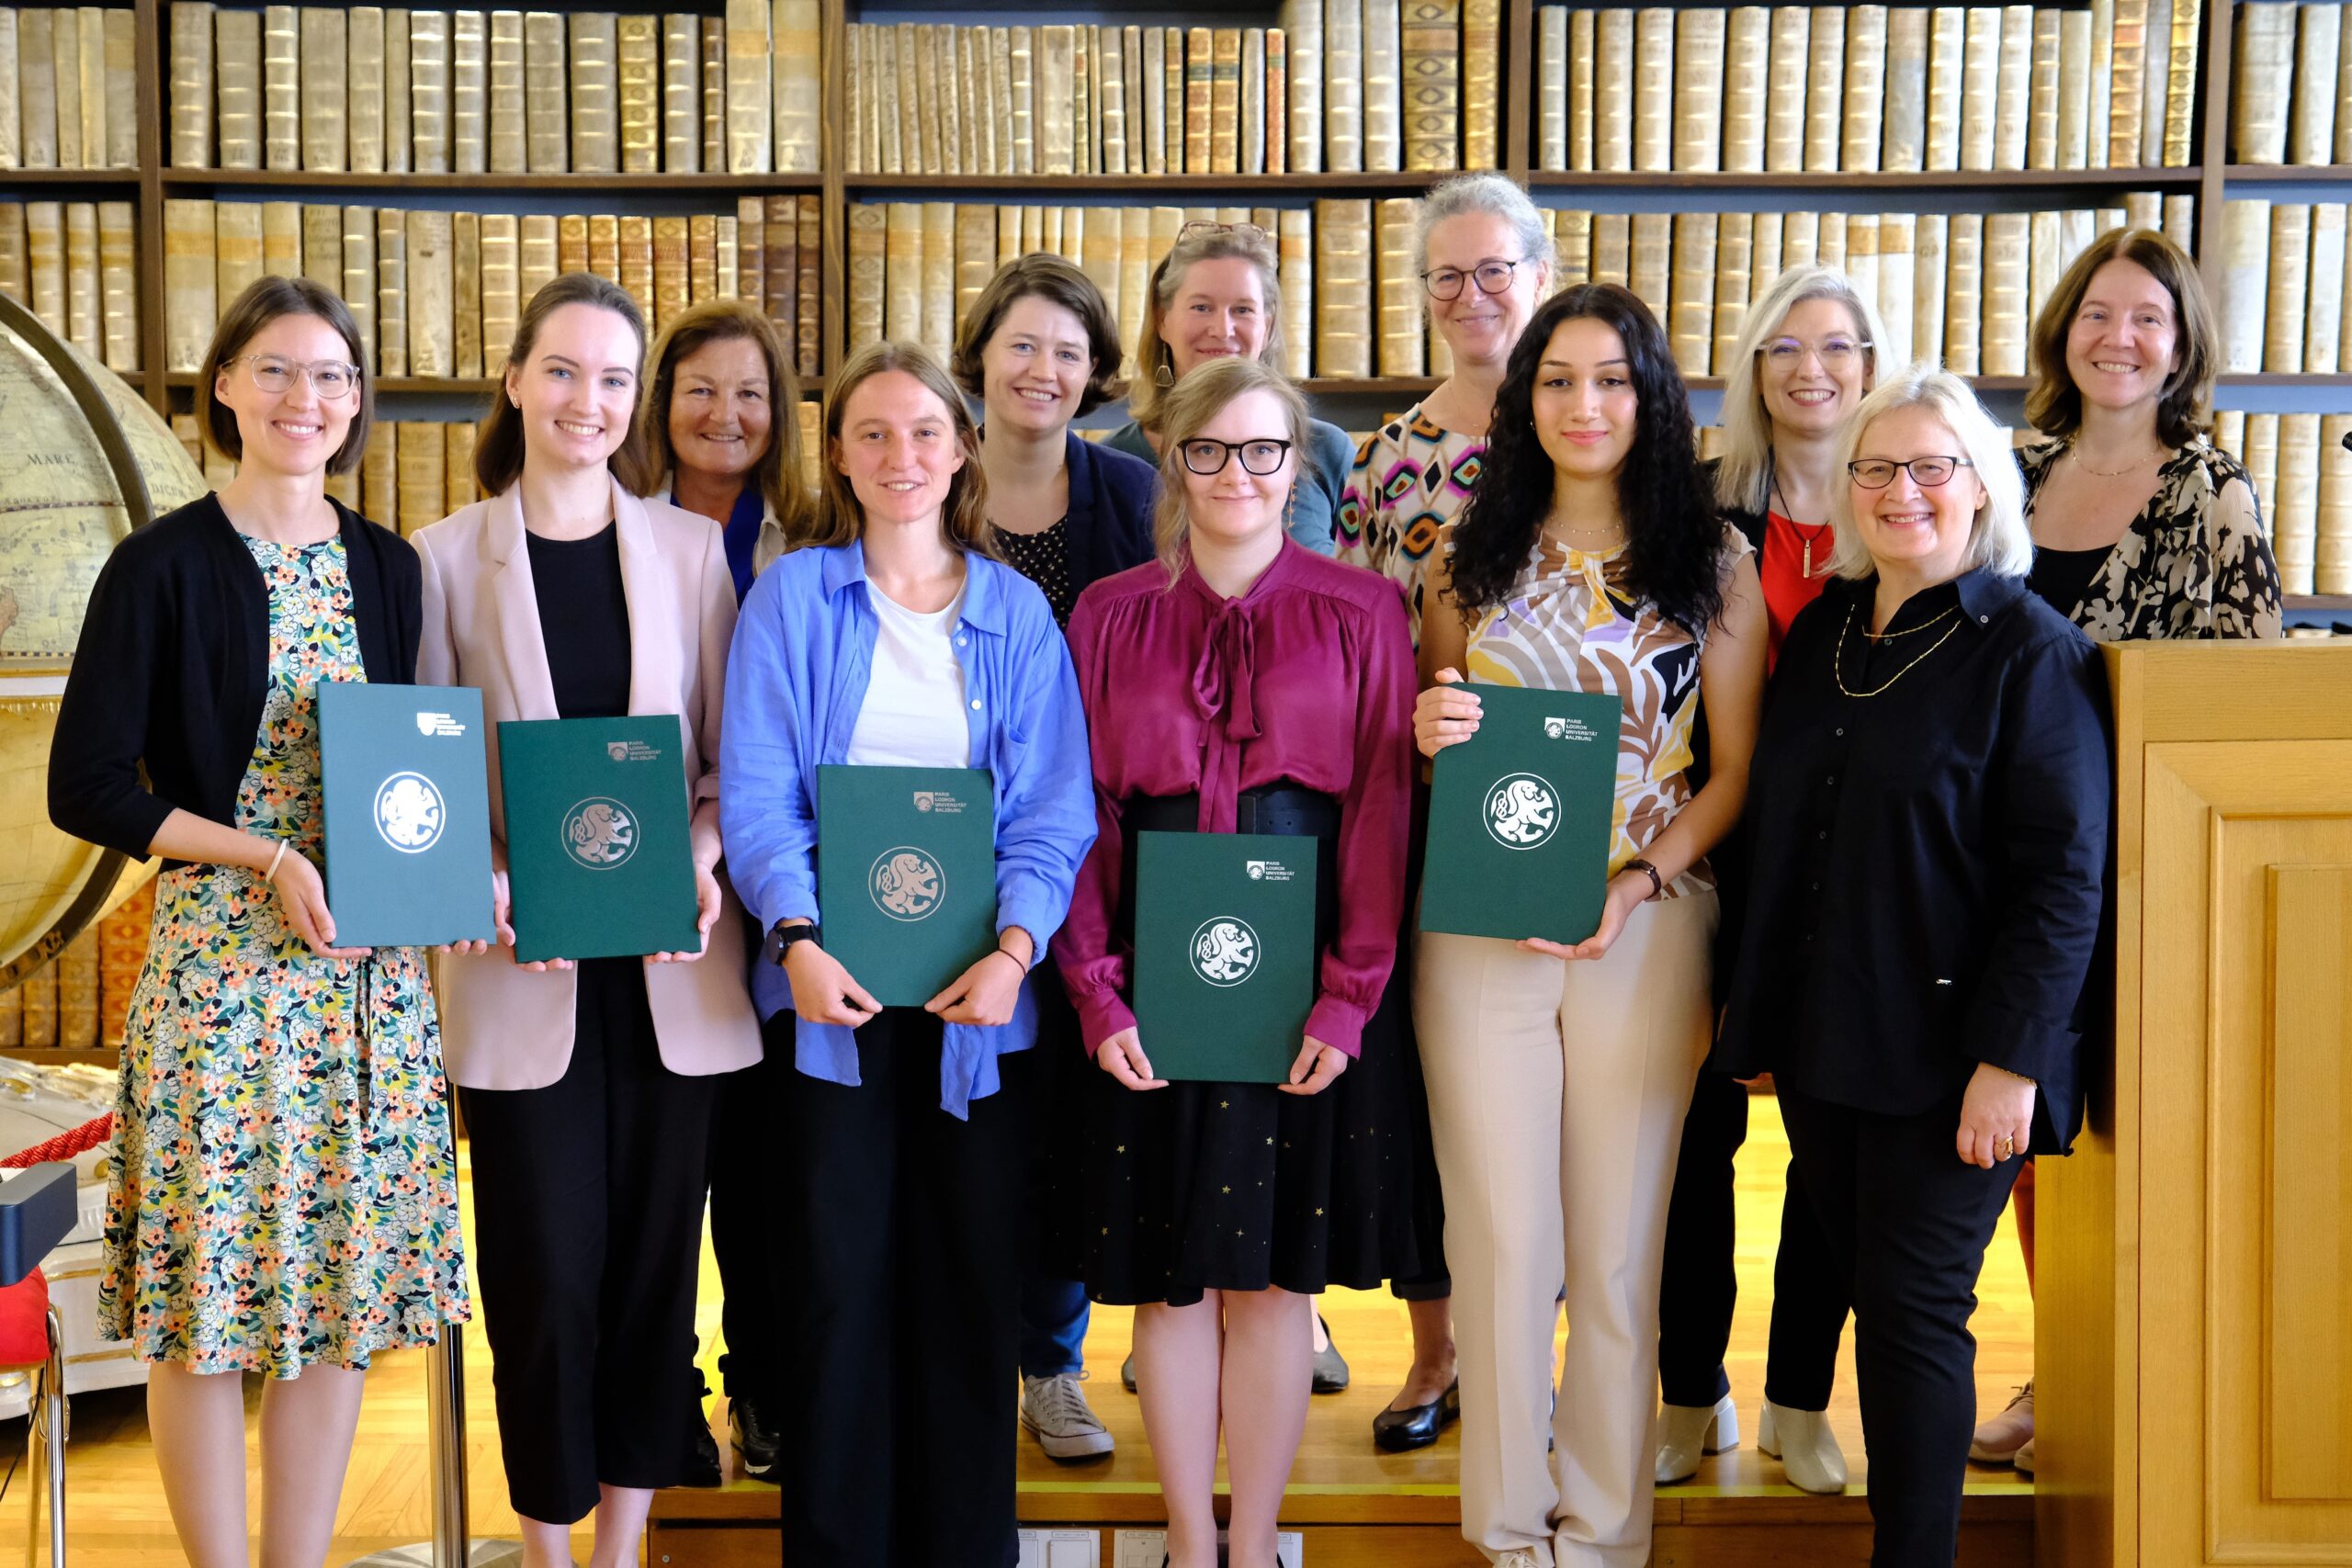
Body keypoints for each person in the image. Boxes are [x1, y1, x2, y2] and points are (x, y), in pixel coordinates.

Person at [48, 276, 469, 1568]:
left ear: (357, 401)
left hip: (365, 977)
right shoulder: (158, 565)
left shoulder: (389, 565)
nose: (307, 397)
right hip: (223, 979)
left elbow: (409, 763)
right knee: (206, 1309)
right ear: (224, 384)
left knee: (337, 1302)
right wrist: (268, 854)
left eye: (332, 375)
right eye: (277, 369)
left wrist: (453, 878)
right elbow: (87, 785)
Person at [1713, 366, 2110, 1565]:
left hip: (1955, 1059)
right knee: (1876, 1297)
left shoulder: (2031, 652)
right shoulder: (1827, 629)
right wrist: (1757, 1011)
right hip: (1829, 1036)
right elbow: (1786, 832)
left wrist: (2012, 1063)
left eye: (1933, 467)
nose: (1903, 491)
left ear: (1981, 487)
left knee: (1914, 1317)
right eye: (1877, 469)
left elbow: (2063, 880)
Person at [718, 340, 1097, 1566]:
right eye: (873, 433)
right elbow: (760, 796)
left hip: (979, 1009)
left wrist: (1016, 950)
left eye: (926, 431)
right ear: (836, 453)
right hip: (827, 1002)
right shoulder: (792, 600)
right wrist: (795, 937)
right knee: (835, 1289)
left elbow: (1052, 810)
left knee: (967, 1290)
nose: (901, 455)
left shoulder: (1016, 613)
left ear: (962, 448)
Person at [1411, 283, 1767, 1568]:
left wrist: (1636, 882)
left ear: (1650, 396)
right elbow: (1440, 734)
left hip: (1646, 922)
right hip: (1482, 925)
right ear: (1525, 402)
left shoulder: (1712, 562)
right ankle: (1509, 1533)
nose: (1584, 404)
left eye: (1611, 379)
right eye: (1557, 380)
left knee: (1615, 1251)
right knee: (1501, 1245)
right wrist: (1427, 727)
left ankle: (1604, 1535)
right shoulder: (1464, 557)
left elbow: (1734, 774)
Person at [414, 272, 762, 1568]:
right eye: (563, 370)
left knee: (656, 1277)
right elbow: (430, 779)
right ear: (515, 380)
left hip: (674, 968)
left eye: (615, 378)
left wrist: (704, 855)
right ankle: (549, 1547)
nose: (589, 399)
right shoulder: (441, 558)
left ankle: (622, 1545)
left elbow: (731, 763)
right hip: (521, 971)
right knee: (543, 1277)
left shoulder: (690, 555)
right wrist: (483, 875)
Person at [1052, 355, 1421, 1568]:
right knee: (1170, 1280)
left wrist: (1348, 993)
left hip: (1298, 987)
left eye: (1263, 450)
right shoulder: (1108, 613)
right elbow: (1079, 809)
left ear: (1296, 463)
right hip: (1148, 984)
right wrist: (1097, 988)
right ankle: (1188, 1540)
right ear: (1173, 460)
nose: (1236, 474)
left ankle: (1253, 1543)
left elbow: (1379, 809)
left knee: (1271, 1282)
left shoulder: (1364, 609)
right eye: (1208, 450)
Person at [1970, 224, 2283, 1474]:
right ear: (2064, 332)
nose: (2119, 337)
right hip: (1990, 862)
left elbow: (2246, 701)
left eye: (2147, 317)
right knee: (2019, 1127)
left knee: (2122, 1131)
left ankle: (2107, 1381)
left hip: (2141, 867)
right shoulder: (2006, 472)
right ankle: (2057, 1358)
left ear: (2181, 343)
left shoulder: (2213, 493)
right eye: (2098, 313)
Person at [1655, 264, 1888, 1495]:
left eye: (1837, 346)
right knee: (1690, 1142)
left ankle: (1801, 1393)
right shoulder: (1695, 510)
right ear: (1752, 369)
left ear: (1870, 366)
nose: (1812, 368)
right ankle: (1690, 1391)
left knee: (1831, 1148)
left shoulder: (1900, 504)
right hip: (1709, 854)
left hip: (1852, 878)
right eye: (1785, 347)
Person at [1335, 170, 1556, 1450]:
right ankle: (1436, 1353)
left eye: (1494, 270)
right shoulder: (1386, 458)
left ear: (1539, 275)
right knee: (1426, 1090)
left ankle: (1535, 1352)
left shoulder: (1593, 422)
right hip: (1422, 811)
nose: (1472, 296)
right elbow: (1360, 646)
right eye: (1446, 276)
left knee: (1548, 1093)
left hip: (1575, 817)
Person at [950, 253, 1158, 1462]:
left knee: (1063, 1117)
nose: (1043, 369)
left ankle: (1051, 1360)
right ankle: (953, 1354)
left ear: (1096, 375)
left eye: (1069, 353)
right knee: (960, 1119)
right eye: (1022, 344)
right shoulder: (929, 469)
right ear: (980, 355)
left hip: (1086, 845)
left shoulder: (1129, 491)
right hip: (927, 841)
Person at [640, 298, 812, 1485]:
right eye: (700, 388)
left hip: (785, 890)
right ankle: (662, 1389)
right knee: (664, 1165)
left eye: (750, 391)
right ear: (662, 403)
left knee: (765, 1166)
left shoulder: (810, 537)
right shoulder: (619, 528)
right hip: (653, 883)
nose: (725, 413)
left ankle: (765, 1382)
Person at [1104, 220, 1348, 560]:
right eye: (1201, 307)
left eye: (1242, 309)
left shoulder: (1328, 450)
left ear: (1268, 326)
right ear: (1163, 321)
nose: (1222, 329)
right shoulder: (1114, 462)